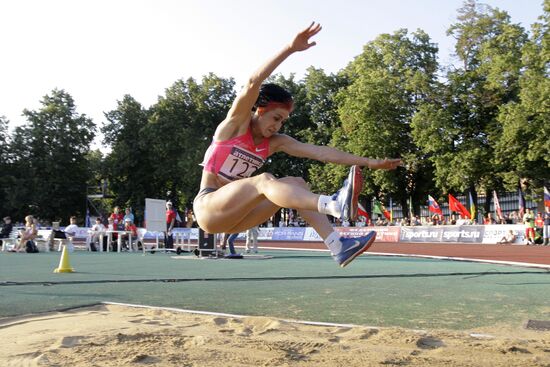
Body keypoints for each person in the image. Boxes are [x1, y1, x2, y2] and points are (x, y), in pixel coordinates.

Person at [192, 23, 401, 268]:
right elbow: (252, 83)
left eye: (282, 121)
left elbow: (320, 152)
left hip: (239, 217)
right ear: (259, 111)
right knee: (264, 179)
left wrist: (370, 162)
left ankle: (338, 246)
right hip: (209, 207)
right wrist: (290, 49)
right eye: (275, 118)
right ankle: (334, 204)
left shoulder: (274, 143)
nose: (277, 127)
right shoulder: (235, 126)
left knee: (297, 185)